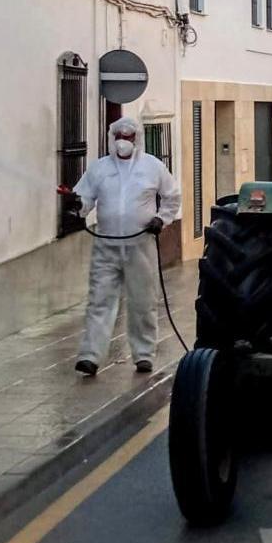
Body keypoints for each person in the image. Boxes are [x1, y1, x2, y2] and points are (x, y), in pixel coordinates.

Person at [66, 117, 181, 377]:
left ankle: (143, 355)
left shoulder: (153, 167)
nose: (123, 141)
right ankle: (90, 356)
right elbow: (84, 197)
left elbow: (172, 197)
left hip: (140, 245)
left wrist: (161, 220)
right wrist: (77, 206)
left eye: (128, 137)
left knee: (142, 301)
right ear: (111, 138)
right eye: (118, 135)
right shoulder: (99, 169)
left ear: (136, 139)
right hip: (106, 245)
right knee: (99, 301)